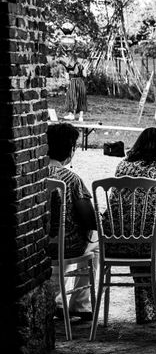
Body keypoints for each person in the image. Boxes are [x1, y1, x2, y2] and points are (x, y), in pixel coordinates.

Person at [102, 127, 156, 323]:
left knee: (138, 234)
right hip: (155, 242)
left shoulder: (122, 167)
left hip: (118, 241)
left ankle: (147, 311)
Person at [47, 123, 98, 321]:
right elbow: (89, 220)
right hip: (66, 247)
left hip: (37, 246)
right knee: (95, 244)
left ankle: (58, 301)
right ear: (71, 150)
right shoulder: (71, 179)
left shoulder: (34, 175)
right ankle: (80, 304)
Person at [61, 53, 87, 123]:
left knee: (71, 98)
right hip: (80, 82)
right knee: (81, 99)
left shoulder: (68, 66)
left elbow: (66, 77)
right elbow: (85, 75)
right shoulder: (80, 65)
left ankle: (71, 114)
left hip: (72, 82)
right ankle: (81, 117)